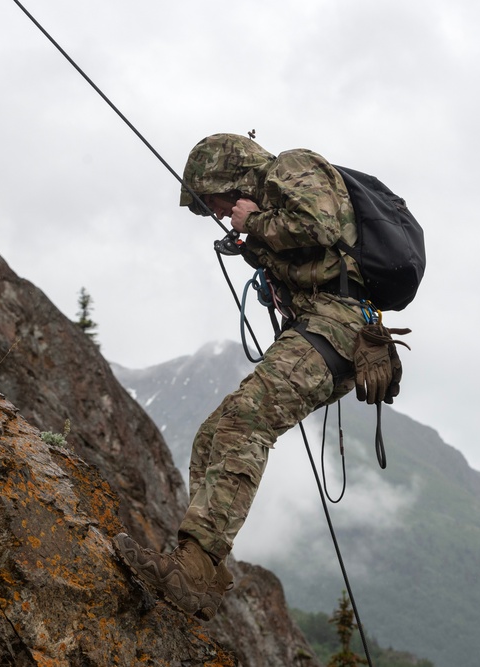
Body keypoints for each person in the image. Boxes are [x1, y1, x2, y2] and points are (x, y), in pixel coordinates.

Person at [114, 133, 375, 621]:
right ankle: (201, 572)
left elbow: (318, 223)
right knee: (212, 435)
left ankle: (193, 567)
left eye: (211, 200)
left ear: (225, 177)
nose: (214, 212)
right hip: (319, 331)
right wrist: (256, 239)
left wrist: (252, 222)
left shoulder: (290, 168)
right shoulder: (267, 199)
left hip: (338, 328)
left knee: (242, 423)